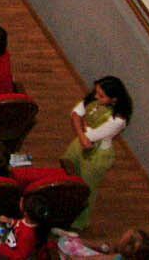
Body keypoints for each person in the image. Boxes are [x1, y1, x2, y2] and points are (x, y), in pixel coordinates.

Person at [63, 75, 132, 230]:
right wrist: (83, 128)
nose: (95, 96)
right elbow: (75, 113)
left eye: (101, 95)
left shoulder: (118, 119)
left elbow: (91, 137)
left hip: (97, 156)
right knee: (67, 174)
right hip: (80, 146)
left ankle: (78, 222)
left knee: (87, 189)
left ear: (114, 100)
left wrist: (82, 128)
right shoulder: (94, 101)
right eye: (96, 92)